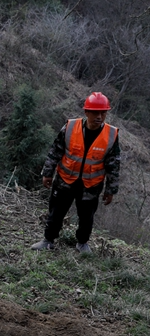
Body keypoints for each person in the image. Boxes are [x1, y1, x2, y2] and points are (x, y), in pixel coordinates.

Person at [31, 92, 120, 254]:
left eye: (103, 113)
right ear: (86, 112)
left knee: (87, 217)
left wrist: (110, 190)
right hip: (65, 180)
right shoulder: (70, 127)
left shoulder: (111, 135)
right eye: (95, 112)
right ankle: (48, 240)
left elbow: (113, 165)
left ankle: (82, 243)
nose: (99, 116)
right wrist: (47, 173)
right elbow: (55, 151)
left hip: (91, 185)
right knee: (56, 212)